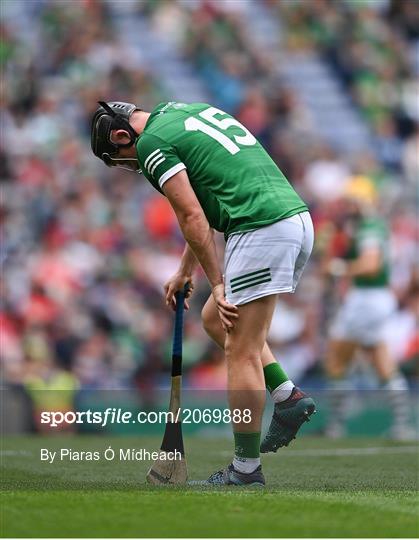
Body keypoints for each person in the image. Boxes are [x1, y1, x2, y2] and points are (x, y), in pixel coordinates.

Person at [91, 100, 316, 486]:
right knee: (214, 318)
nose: (131, 165)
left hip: (260, 227)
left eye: (121, 158)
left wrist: (215, 281)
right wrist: (183, 270)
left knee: (240, 349)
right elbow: (204, 205)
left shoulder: (151, 144)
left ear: (122, 136)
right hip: (291, 219)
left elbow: (191, 215)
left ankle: (246, 470)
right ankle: (285, 395)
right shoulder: (180, 113)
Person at [324, 177, 412, 439]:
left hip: (367, 298)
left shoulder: (370, 227)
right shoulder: (367, 226)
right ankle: (402, 423)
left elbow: (371, 264)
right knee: (380, 358)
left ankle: (337, 422)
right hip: (372, 298)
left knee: (337, 357)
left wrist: (341, 268)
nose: (349, 206)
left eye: (352, 201)